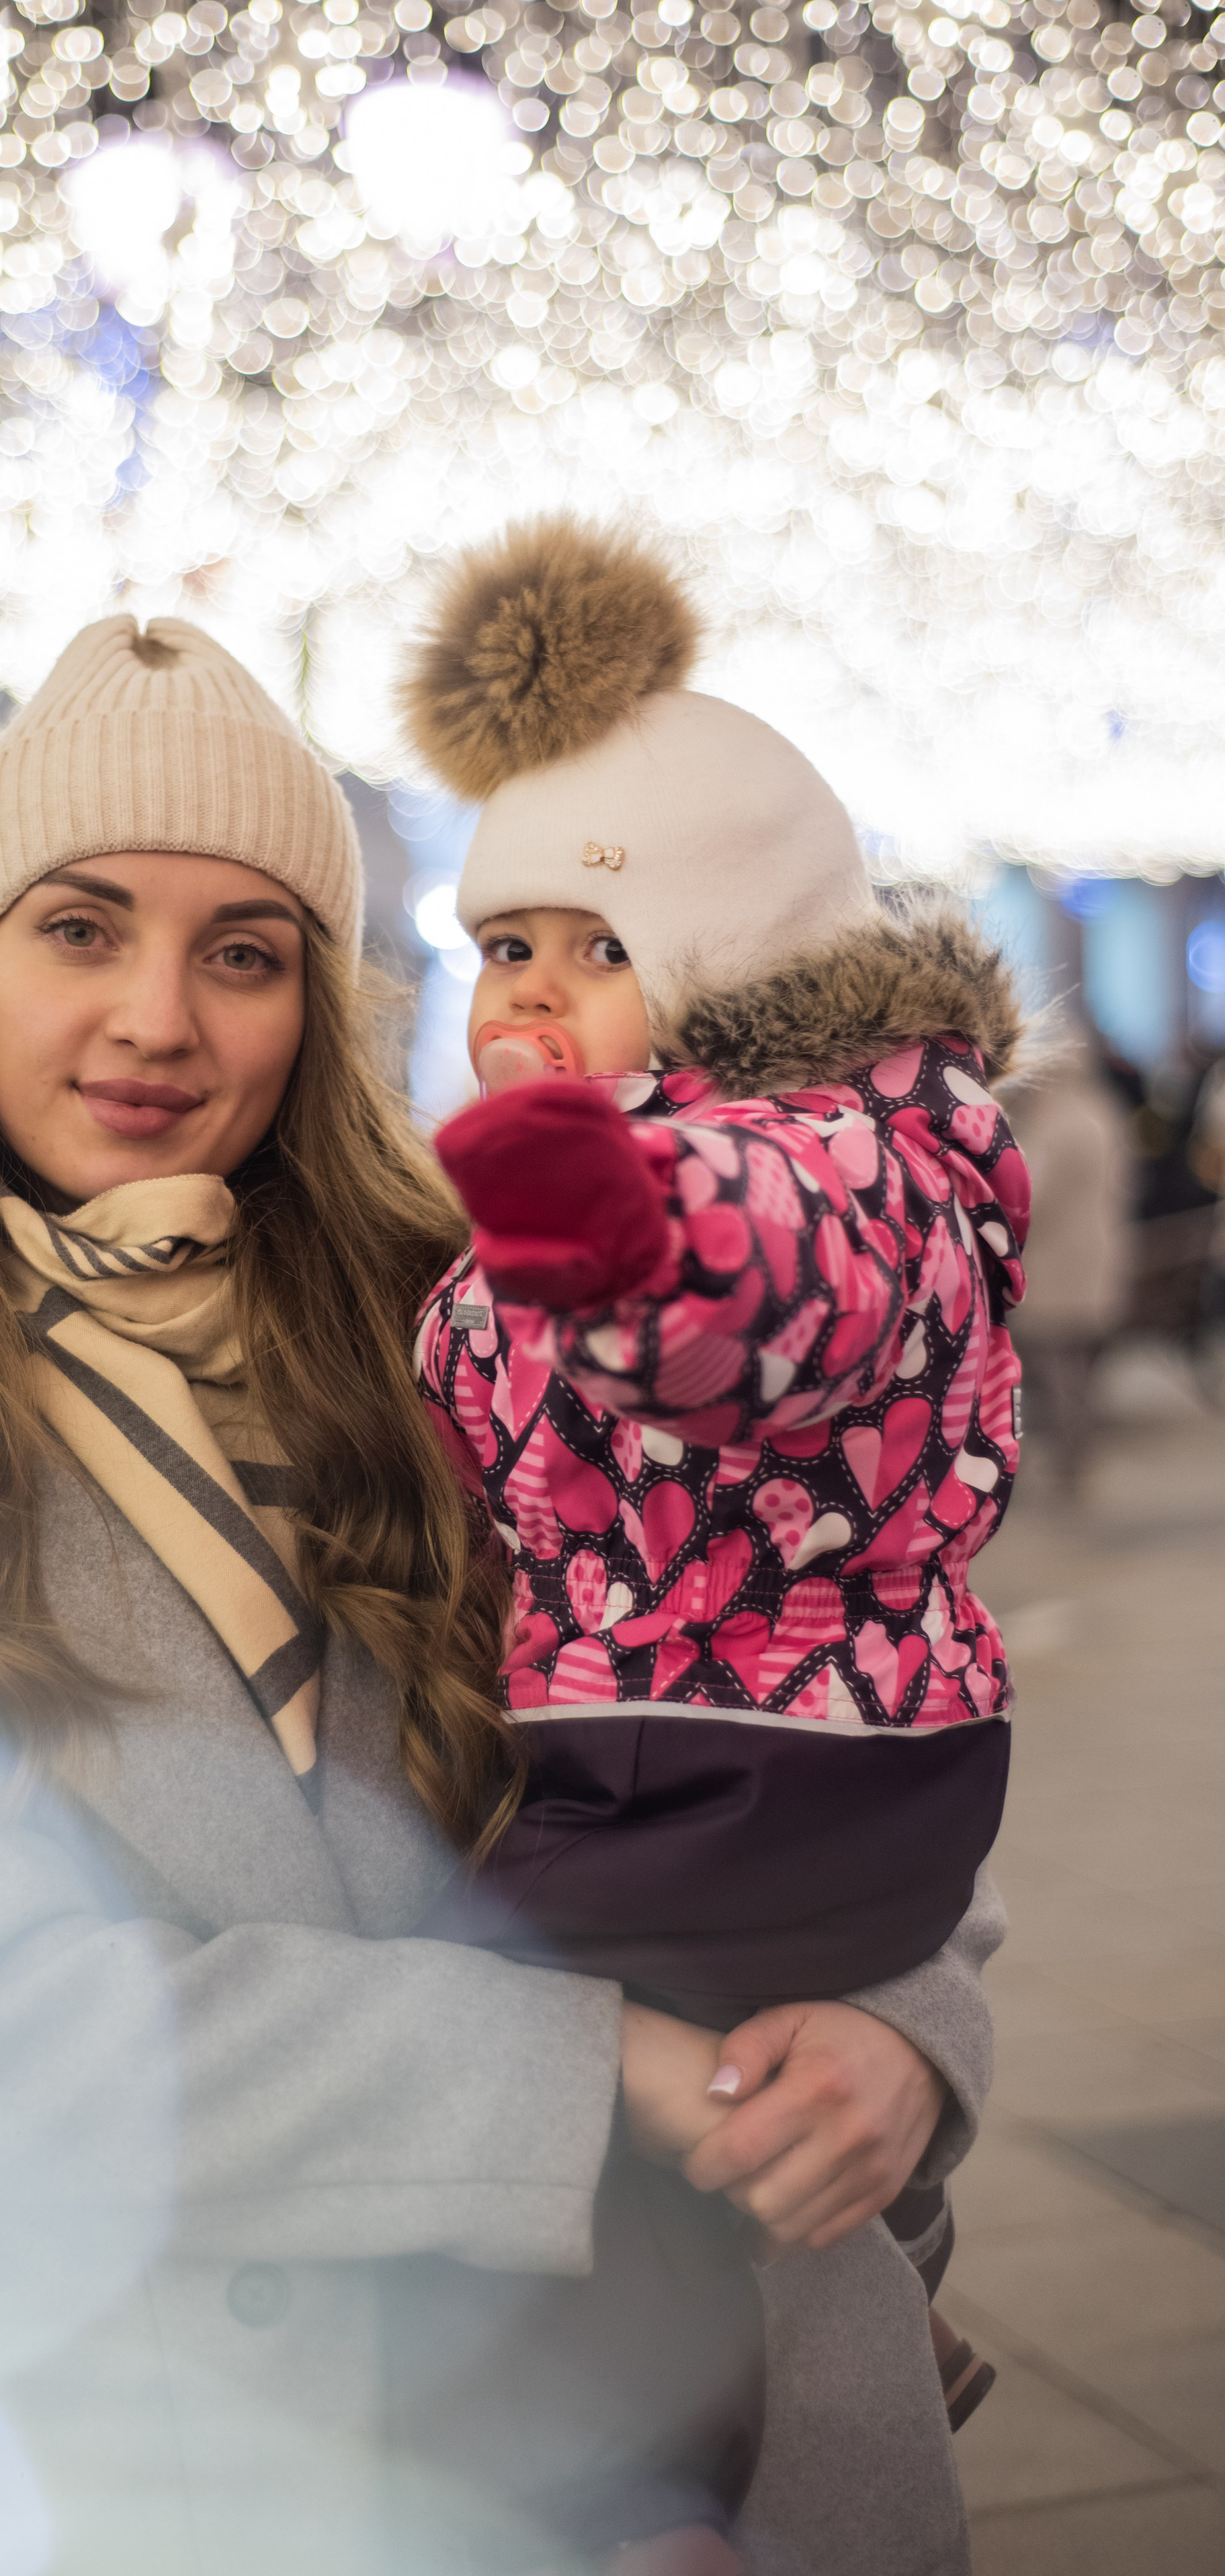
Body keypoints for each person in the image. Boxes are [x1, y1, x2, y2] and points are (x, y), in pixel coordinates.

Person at [0, 611, 1001, 2576]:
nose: (159, 1017)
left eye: (242, 953)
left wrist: (905, 2041)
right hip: (209, 2453)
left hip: (721, 2377)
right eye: (81, 929)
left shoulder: (516, 1307)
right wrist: (581, 2079)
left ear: (317, 1000)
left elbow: (854, 1666)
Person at [403, 520, 1025, 2441]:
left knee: (551, 2047)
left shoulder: (820, 1161)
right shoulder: (526, 1201)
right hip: (678, 1724)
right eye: (507, 944)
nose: (533, 989)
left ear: (736, 971)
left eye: (602, 950)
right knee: (616, 2062)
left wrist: (615, 1232)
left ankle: (666, 2480)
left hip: (771, 1746)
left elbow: (764, 1288)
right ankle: (885, 2291)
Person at [1009, 1035, 1133, 1496]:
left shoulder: (1055, 1124)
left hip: (1055, 1261)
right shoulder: (1103, 1113)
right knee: (1076, 1366)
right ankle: (1073, 1453)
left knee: (1051, 1366)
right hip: (1097, 1255)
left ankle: (1064, 1458)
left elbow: (1031, 1197)